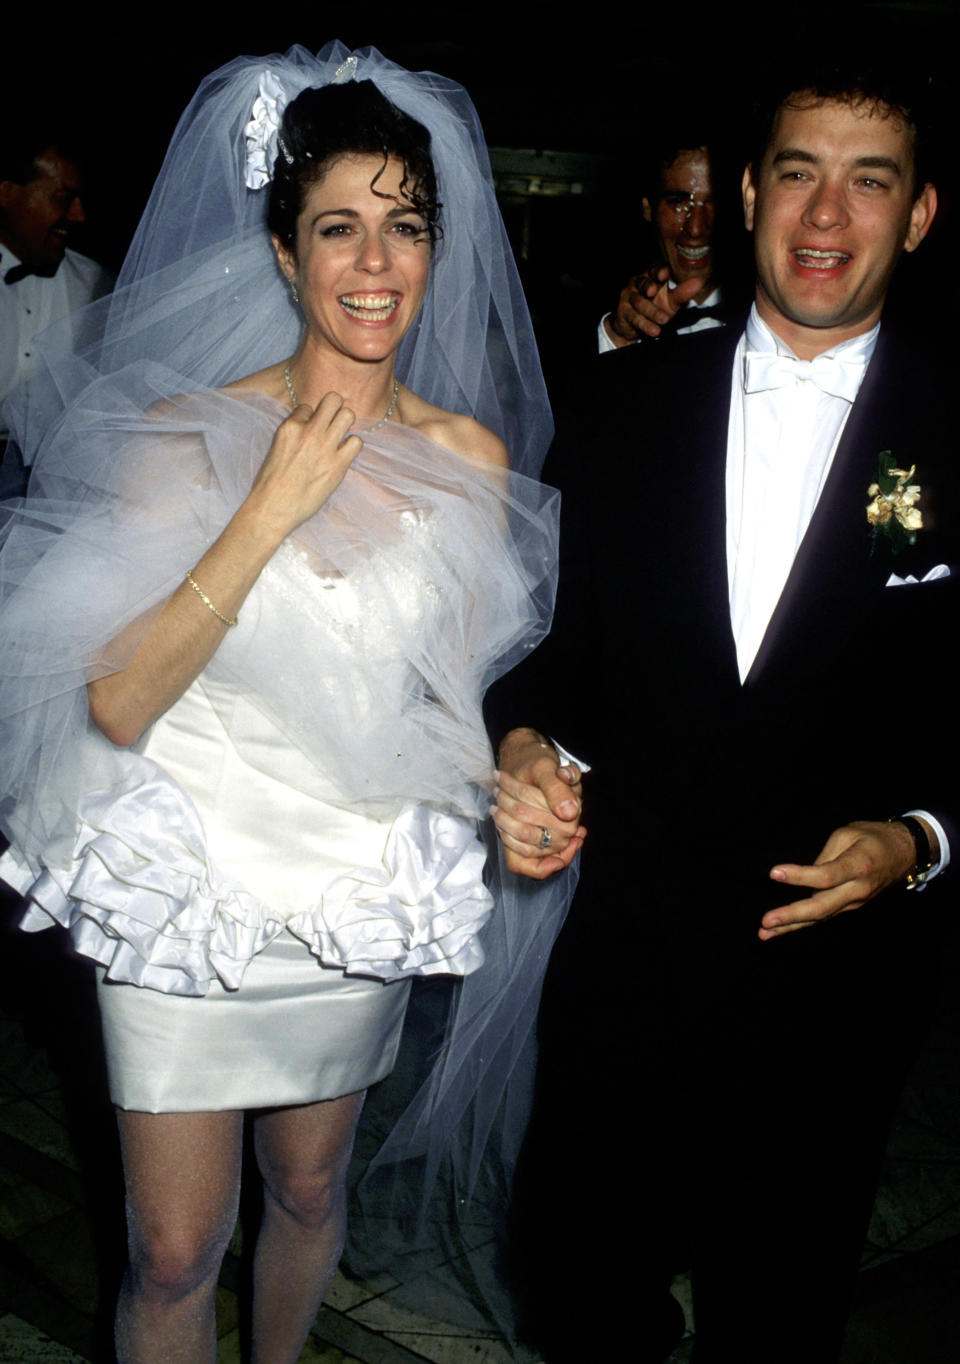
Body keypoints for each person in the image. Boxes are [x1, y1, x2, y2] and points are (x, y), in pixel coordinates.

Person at [0, 44, 563, 1362]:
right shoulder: (183, 436)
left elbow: (448, 698)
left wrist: (515, 780)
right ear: (280, 250)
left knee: (311, 1190)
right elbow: (124, 702)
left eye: (405, 228)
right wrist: (266, 510)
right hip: (191, 884)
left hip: (353, 883)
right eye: (340, 229)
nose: (377, 266)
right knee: (175, 1250)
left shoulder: (467, 460)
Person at [492, 62, 955, 1363]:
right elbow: (544, 649)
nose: (825, 214)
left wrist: (918, 836)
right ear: (751, 193)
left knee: (777, 1316)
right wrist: (525, 742)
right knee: (581, 1297)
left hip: (833, 1001)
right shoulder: (624, 405)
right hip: (626, 970)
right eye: (798, 171)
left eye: (870, 181)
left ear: (919, 216)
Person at [0, 130, 111, 495]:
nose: (78, 215)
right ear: (7, 193)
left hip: (52, 487)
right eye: (63, 199)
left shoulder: (96, 285)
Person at [599, 139, 726, 351]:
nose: (695, 228)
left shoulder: (774, 314)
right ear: (648, 209)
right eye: (678, 201)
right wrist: (619, 338)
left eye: (714, 202)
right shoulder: (611, 316)